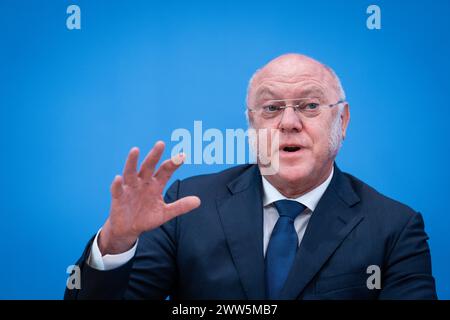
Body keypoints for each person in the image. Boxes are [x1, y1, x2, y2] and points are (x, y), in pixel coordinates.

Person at [64, 53, 437, 299]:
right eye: (271, 108)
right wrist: (116, 243)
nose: (289, 124)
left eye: (309, 105)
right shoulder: (186, 207)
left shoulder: (395, 227)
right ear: (250, 125)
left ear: (342, 120)